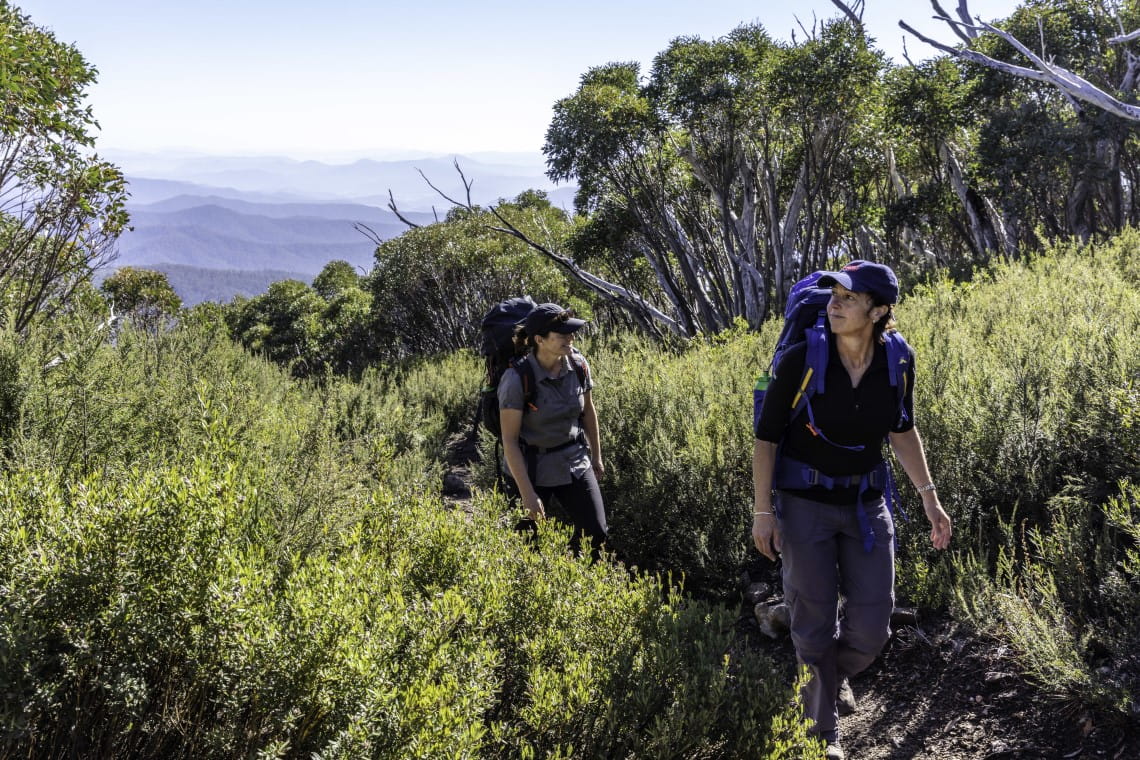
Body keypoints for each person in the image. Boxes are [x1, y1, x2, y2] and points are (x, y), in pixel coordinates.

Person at [751, 261, 952, 760]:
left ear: (879, 311)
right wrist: (763, 512)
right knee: (814, 622)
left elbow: (902, 429)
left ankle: (824, 677)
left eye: (849, 297)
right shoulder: (804, 358)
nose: (835, 303)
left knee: (872, 628)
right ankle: (823, 737)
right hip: (804, 508)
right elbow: (766, 438)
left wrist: (930, 497)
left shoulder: (897, 361)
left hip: (866, 506)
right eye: (833, 294)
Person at [498, 302, 607, 557]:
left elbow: (588, 411)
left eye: (571, 333)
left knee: (596, 533)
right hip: (531, 467)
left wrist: (596, 456)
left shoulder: (578, 365)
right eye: (562, 335)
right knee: (527, 546)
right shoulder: (516, 380)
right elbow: (510, 441)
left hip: (573, 459)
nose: (570, 339)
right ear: (539, 339)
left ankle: (580, 585)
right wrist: (527, 495)